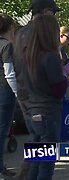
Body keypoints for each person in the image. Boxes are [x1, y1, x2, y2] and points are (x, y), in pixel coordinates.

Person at [12, 0, 62, 179]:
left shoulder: (20, 34)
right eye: (53, 13)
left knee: (35, 146)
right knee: (45, 155)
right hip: (44, 99)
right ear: (46, 11)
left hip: (27, 96)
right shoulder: (42, 35)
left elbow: (16, 66)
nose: (54, 17)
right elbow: (56, 82)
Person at [25, 14, 68, 180]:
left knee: (35, 161)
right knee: (46, 164)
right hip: (47, 113)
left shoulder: (29, 55)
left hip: (32, 111)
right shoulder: (50, 57)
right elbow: (59, 90)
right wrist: (65, 77)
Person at [0, 14, 17, 179]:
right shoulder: (7, 46)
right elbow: (10, 74)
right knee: (2, 130)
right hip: (5, 91)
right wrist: (18, 93)